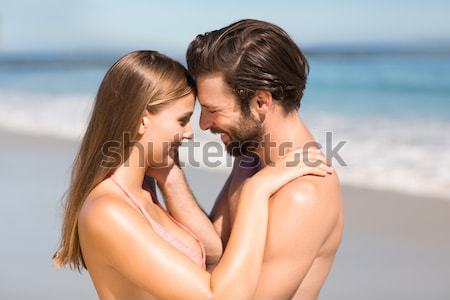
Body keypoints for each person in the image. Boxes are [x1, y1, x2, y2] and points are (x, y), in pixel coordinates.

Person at [53, 50, 333, 300]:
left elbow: (214, 255)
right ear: (142, 119)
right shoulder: (108, 211)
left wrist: (171, 176)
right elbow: (218, 296)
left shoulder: (143, 194)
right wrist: (256, 189)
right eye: (182, 120)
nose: (191, 131)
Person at [165, 19, 344, 300]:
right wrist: (168, 173)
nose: (203, 124)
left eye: (213, 109)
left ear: (261, 103)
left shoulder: (303, 194)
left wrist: (255, 190)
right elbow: (215, 249)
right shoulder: (251, 159)